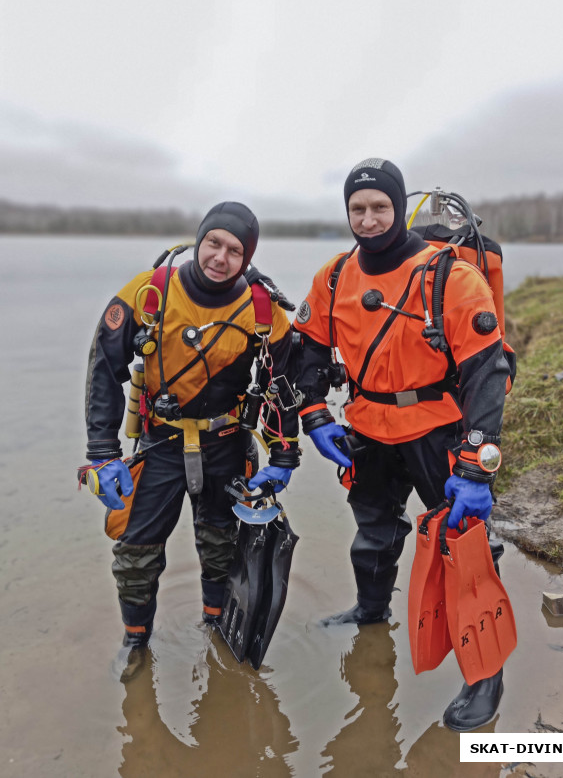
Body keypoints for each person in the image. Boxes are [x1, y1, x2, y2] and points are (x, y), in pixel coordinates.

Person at [292, 158, 512, 731]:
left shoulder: (450, 277)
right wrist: (314, 414)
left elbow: (488, 372)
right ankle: (371, 616)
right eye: (357, 209)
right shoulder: (334, 277)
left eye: (380, 207)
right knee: (372, 533)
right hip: (367, 427)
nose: (368, 219)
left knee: (466, 549)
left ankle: (485, 673)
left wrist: (476, 469)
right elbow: (307, 348)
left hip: (437, 428)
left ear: (397, 207)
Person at [81, 202, 300, 674]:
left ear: (248, 257)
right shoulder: (149, 292)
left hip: (227, 444)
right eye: (213, 243)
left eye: (235, 250)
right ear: (199, 240)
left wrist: (285, 454)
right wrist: (102, 452)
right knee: (136, 551)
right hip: (159, 444)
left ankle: (217, 626)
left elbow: (283, 384)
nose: (220, 257)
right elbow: (105, 368)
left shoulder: (263, 309)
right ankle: (136, 642)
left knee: (221, 545)